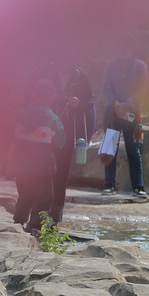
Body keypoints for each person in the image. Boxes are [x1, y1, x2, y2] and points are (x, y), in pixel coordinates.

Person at [11, 78, 65, 233]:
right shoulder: (53, 119)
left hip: (21, 165)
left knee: (24, 196)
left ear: (34, 95)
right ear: (52, 97)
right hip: (43, 167)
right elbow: (61, 141)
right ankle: (34, 228)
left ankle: (18, 222)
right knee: (44, 199)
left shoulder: (21, 114)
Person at [101, 43, 148, 198]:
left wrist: (126, 105)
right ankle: (109, 185)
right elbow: (106, 86)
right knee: (109, 149)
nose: (123, 53)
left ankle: (138, 186)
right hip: (112, 114)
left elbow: (142, 89)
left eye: (126, 50)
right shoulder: (110, 65)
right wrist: (114, 103)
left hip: (132, 115)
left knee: (134, 150)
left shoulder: (140, 66)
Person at [50, 66, 95, 223]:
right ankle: (36, 214)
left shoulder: (80, 76)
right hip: (43, 130)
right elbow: (30, 95)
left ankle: (55, 217)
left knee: (61, 175)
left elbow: (89, 104)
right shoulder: (47, 71)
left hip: (67, 133)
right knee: (43, 173)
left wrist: (78, 104)